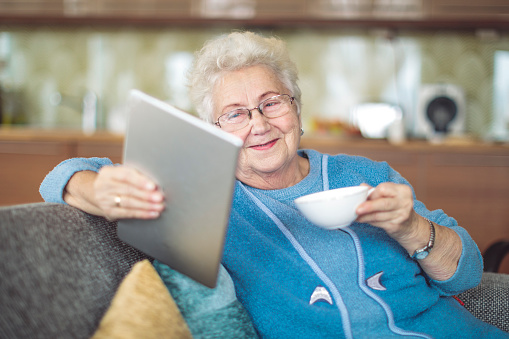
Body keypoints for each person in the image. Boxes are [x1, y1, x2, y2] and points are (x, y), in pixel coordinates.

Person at [40, 31, 508, 338]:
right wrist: (96, 190)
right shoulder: (207, 198)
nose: (258, 124)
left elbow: (466, 274)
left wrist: (409, 228)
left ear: (297, 110)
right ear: (214, 130)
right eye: (235, 114)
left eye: (271, 103)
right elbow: (59, 177)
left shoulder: (365, 175)